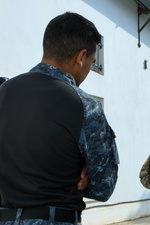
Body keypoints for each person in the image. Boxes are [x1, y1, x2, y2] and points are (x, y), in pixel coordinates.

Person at [0, 12, 119, 224]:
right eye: (92, 62)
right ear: (81, 57)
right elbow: (104, 187)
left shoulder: (4, 91)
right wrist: (86, 170)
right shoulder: (85, 106)